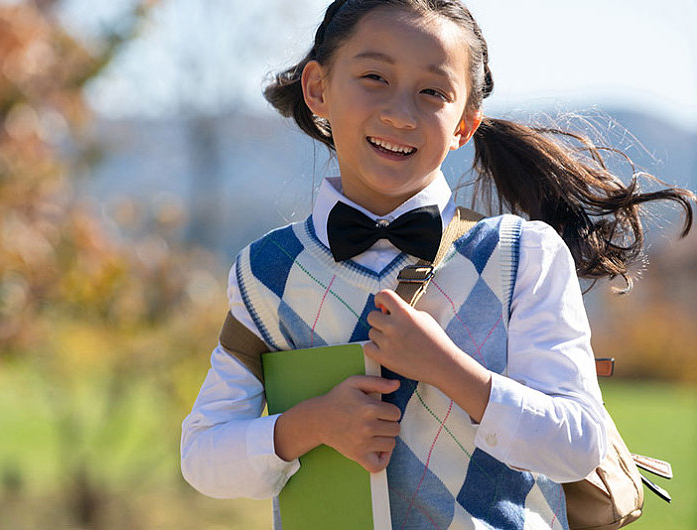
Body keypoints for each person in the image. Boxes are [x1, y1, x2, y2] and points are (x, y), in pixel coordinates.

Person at [180, 0, 695, 528]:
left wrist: (447, 368)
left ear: (465, 123)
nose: (400, 113)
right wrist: (308, 425)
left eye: (432, 92)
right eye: (374, 77)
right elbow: (202, 454)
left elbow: (579, 444)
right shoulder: (264, 270)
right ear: (317, 89)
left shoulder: (523, 254)